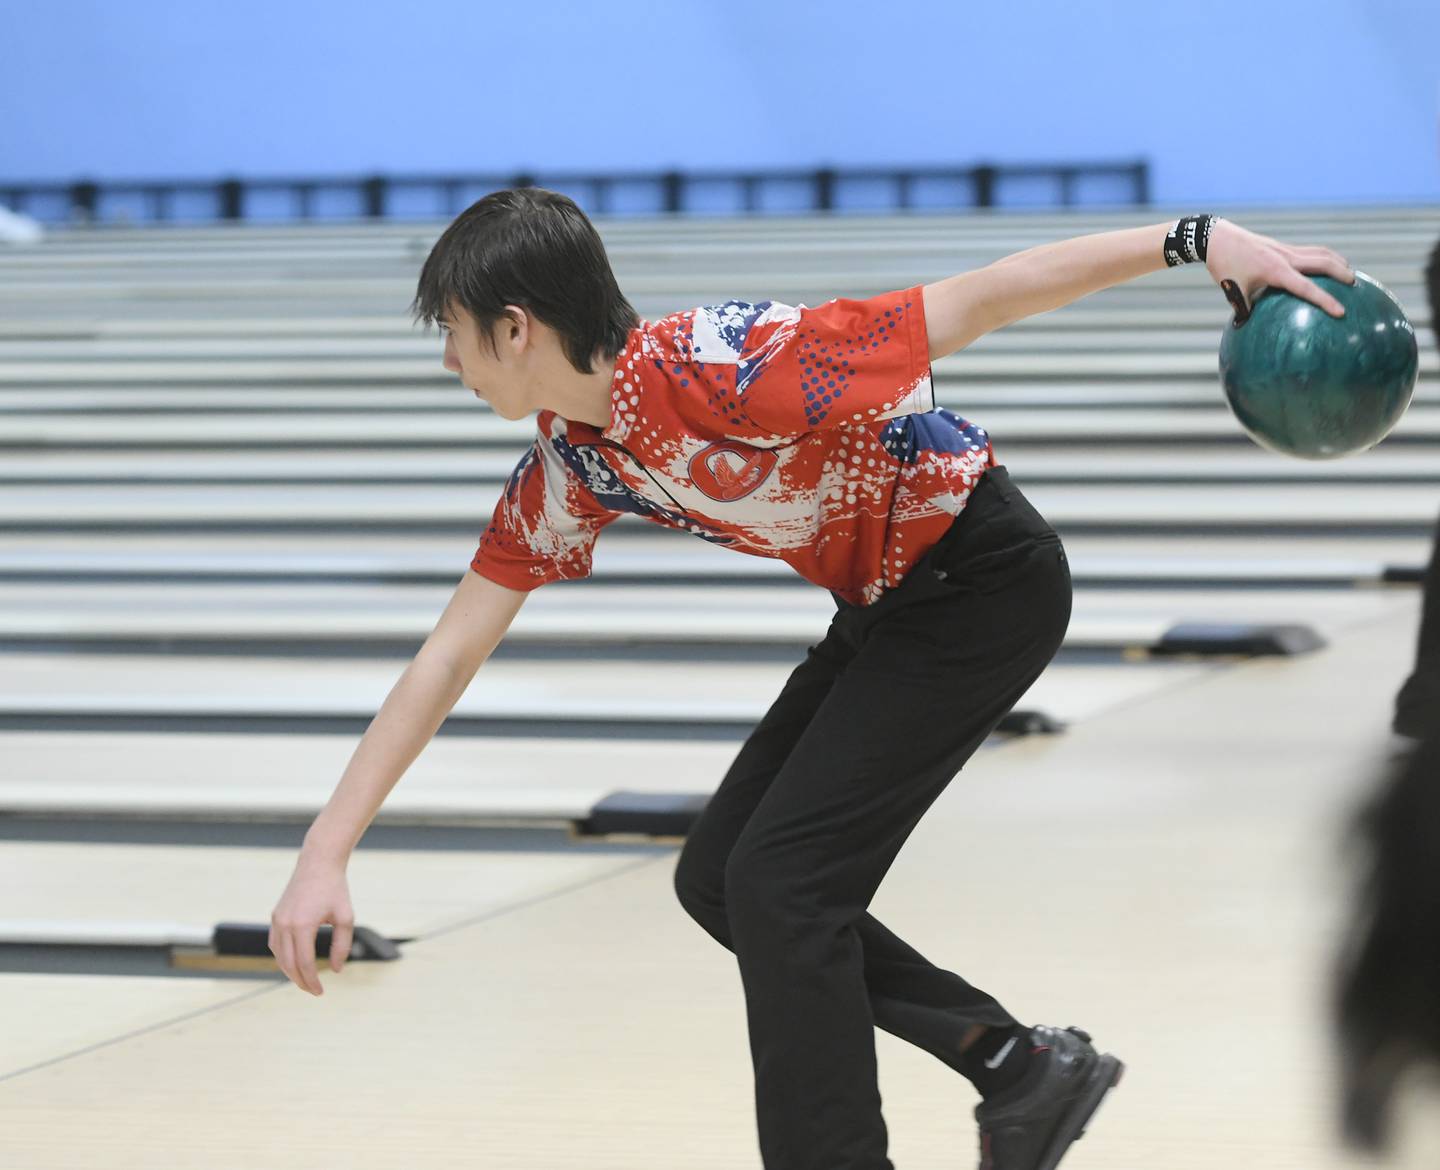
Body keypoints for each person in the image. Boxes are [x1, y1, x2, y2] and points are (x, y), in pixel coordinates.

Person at [268, 188, 1353, 1170]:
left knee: (783, 887)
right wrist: (326, 853)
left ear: (516, 328)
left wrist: (1199, 241)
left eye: (453, 337)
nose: (449, 363)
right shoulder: (578, 461)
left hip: (983, 581)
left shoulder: (725, 364)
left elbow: (977, 300)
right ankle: (1019, 1066)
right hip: (887, 608)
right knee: (725, 877)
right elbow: (452, 647)